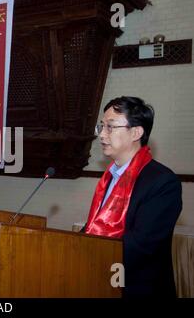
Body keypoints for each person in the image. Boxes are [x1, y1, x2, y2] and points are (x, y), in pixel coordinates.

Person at [83, 96, 182, 297]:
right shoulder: (109, 177)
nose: (102, 135)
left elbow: (142, 244)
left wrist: (85, 254)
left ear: (136, 132)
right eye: (101, 126)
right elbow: (94, 227)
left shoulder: (162, 182)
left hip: (138, 289)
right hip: (99, 282)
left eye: (110, 127)